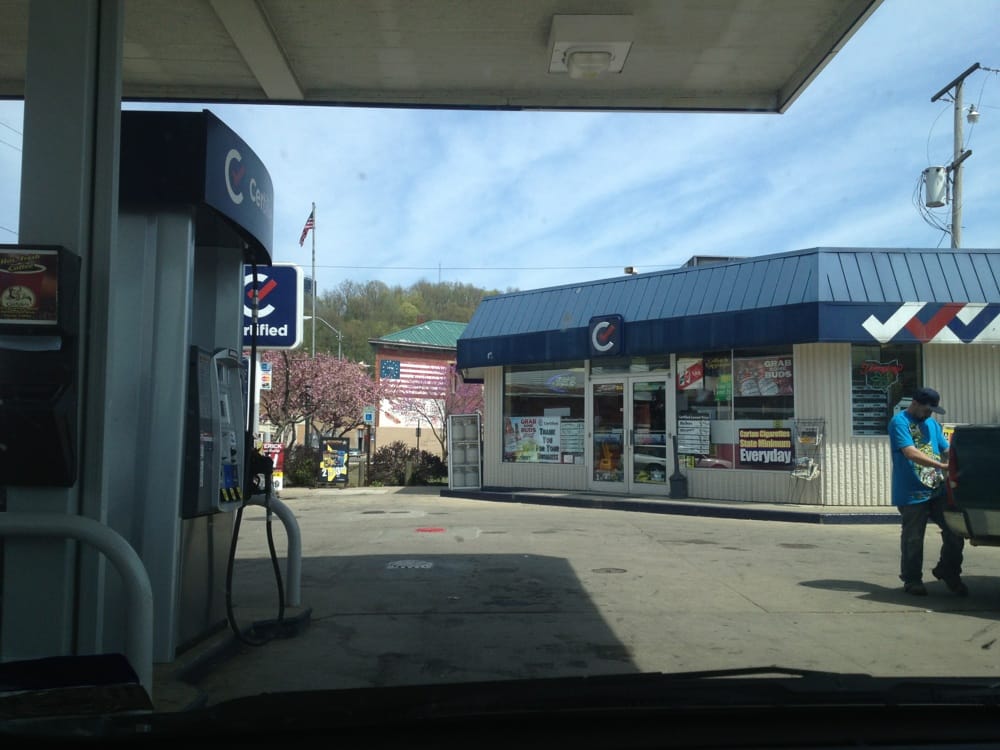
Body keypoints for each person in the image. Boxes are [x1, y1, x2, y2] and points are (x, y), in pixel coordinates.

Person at [888, 387, 967, 596]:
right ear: (914, 403)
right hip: (911, 491)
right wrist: (941, 466)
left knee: (955, 532)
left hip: (936, 490)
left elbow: (945, 449)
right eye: (927, 409)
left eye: (932, 410)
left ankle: (948, 570)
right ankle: (912, 579)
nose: (929, 413)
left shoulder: (932, 424)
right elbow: (910, 452)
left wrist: (960, 458)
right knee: (913, 538)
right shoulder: (899, 422)